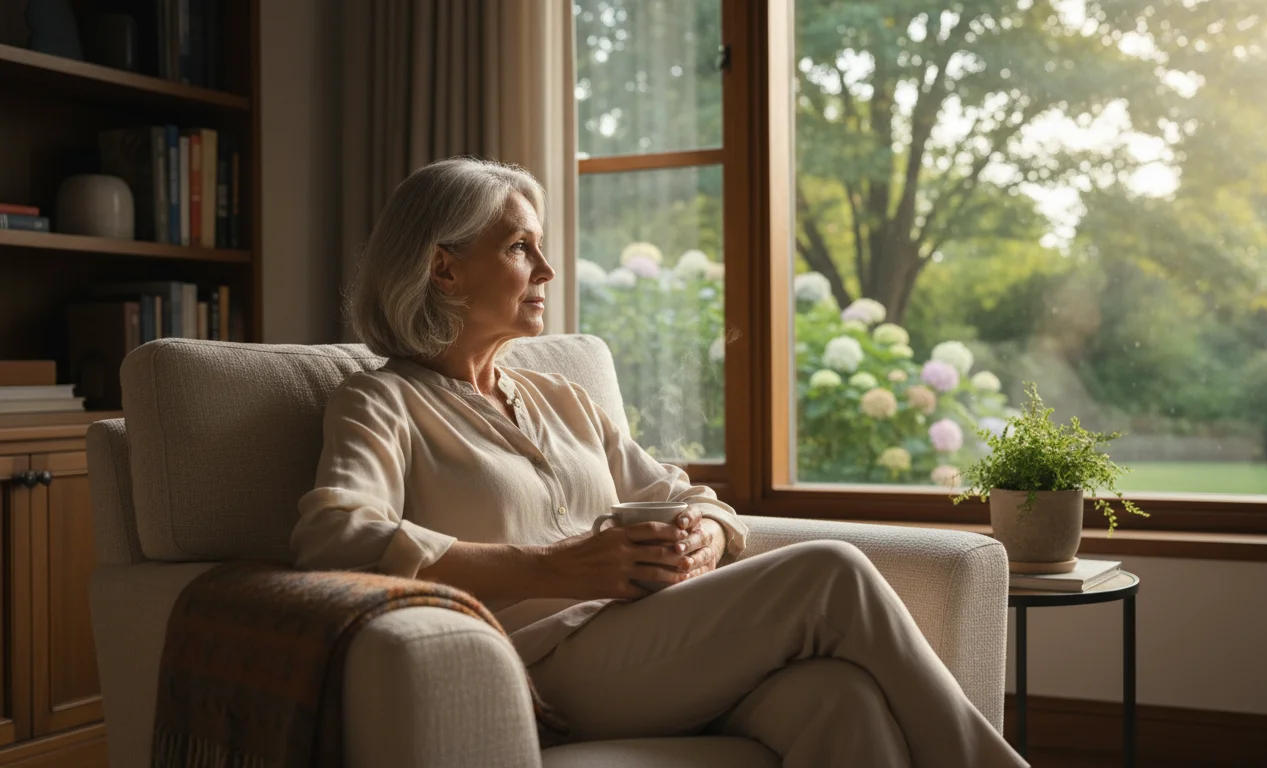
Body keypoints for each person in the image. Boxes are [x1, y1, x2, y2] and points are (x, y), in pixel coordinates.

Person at [291, 157, 1028, 768]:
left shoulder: (563, 398)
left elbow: (687, 495)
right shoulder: (381, 402)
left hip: (644, 643)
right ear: (444, 270)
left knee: (841, 700)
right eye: (520, 248)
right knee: (830, 569)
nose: (546, 269)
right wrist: (553, 569)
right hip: (537, 668)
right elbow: (335, 539)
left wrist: (710, 534)